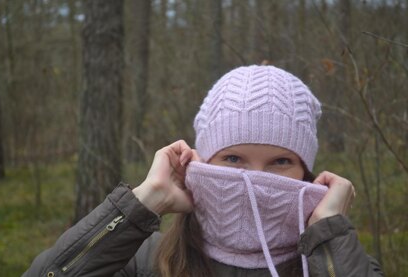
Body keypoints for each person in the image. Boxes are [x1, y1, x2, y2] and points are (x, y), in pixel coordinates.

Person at [23, 65, 383, 277]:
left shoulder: (337, 261)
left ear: (306, 171)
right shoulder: (146, 260)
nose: (255, 180)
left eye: (280, 161)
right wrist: (144, 201)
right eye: (233, 160)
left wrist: (330, 231)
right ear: (201, 162)